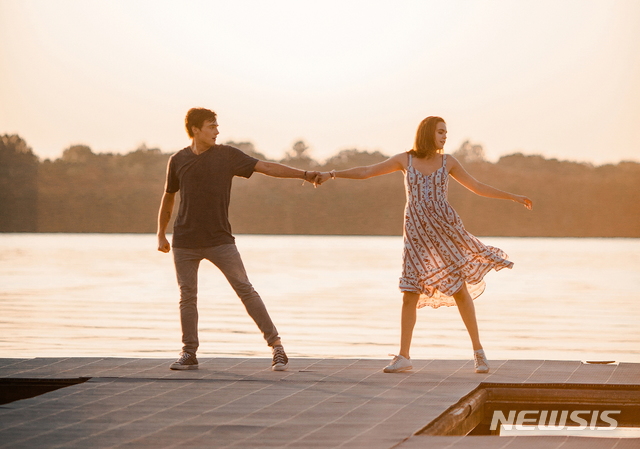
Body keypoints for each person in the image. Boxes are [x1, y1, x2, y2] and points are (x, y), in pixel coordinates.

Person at [317, 116, 532, 374]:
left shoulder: (448, 161)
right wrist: (331, 174)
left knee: (459, 290)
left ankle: (479, 353)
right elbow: (366, 171)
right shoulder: (404, 160)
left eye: (446, 132)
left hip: (446, 229)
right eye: (441, 132)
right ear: (429, 132)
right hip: (416, 234)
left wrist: (513, 197)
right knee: (410, 291)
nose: (445, 136)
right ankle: (404, 356)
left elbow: (476, 187)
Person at [157, 107, 320, 371]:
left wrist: (303, 174)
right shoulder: (177, 160)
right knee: (187, 296)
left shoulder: (227, 155)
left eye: (217, 126)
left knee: (245, 289)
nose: (217, 131)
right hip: (184, 240)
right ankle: (189, 353)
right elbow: (168, 196)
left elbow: (267, 167)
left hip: (220, 239)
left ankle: (277, 347)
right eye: (211, 126)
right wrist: (161, 233)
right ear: (196, 129)